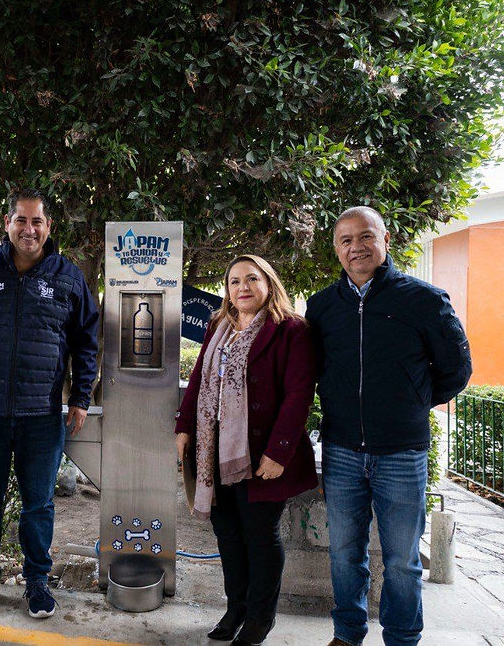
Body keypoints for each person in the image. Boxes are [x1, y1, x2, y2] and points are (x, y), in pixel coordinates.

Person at [306, 206, 472, 646]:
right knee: (344, 552)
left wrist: (411, 403)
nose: (356, 247)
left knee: (401, 560)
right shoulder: (321, 306)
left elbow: (457, 369)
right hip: (342, 449)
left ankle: (401, 638)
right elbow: (314, 369)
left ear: (385, 240)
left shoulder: (424, 299)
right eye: (345, 240)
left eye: (365, 236)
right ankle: (347, 633)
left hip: (402, 452)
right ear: (336, 249)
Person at [0, 188, 99, 620]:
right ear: (7, 223)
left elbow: (86, 340)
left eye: (36, 221)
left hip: (42, 417)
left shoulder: (67, 277)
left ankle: (37, 582)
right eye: (21, 220)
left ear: (48, 227)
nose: (28, 229)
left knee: (38, 506)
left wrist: (81, 397)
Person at [175, 254, 318, 645]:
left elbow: (298, 395)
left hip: (260, 454)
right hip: (215, 452)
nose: (243, 287)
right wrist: (184, 426)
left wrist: (278, 453)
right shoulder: (219, 325)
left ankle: (259, 618)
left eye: (252, 279)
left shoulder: (290, 329)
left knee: (260, 536)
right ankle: (235, 608)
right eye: (234, 281)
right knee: (228, 535)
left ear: (268, 283)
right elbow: (199, 378)